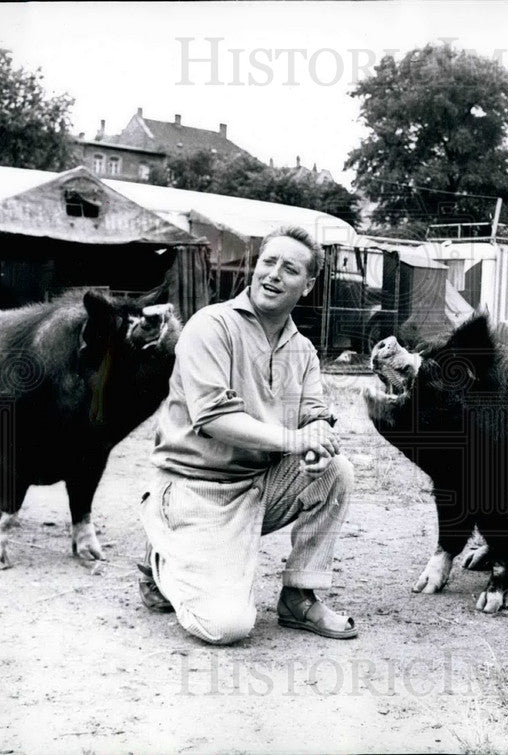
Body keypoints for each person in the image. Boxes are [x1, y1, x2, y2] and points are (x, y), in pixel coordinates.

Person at [138, 226, 357, 644]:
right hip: (196, 490)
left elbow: (313, 414)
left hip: (256, 487)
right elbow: (215, 419)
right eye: (267, 262)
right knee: (226, 627)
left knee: (336, 471)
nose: (272, 274)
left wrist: (318, 437)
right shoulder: (211, 326)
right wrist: (295, 441)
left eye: (289, 269)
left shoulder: (303, 351)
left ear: (307, 286)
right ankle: (161, 557)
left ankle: (298, 596)